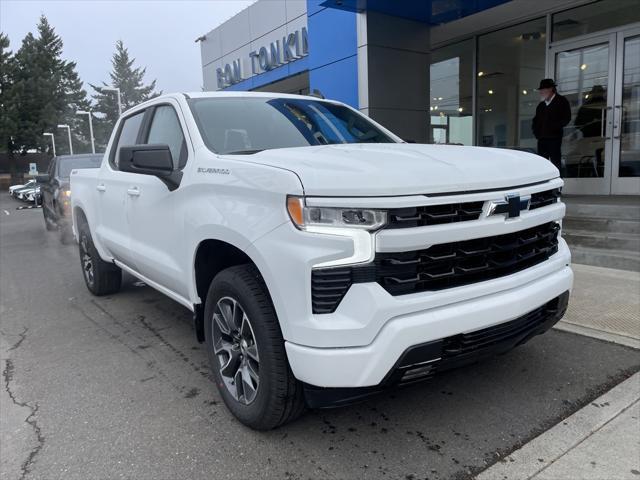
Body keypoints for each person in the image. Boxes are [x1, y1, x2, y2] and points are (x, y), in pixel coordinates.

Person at [532, 78, 572, 174]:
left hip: (554, 138)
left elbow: (566, 118)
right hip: (542, 139)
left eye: (543, 90)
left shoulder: (561, 101)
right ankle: (544, 188)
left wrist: (555, 128)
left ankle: (556, 187)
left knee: (555, 163)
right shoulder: (541, 106)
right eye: (540, 90)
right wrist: (537, 133)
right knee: (542, 164)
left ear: (550, 89)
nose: (541, 92)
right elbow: (535, 121)